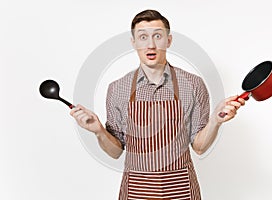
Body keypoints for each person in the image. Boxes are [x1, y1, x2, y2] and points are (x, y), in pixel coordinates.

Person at [70, 9, 245, 200]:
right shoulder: (117, 88)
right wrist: (98, 131)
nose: (151, 45)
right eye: (143, 37)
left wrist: (215, 121)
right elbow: (115, 152)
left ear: (168, 40)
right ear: (133, 42)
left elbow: (200, 147)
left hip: (181, 189)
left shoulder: (193, 84)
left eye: (158, 36)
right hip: (137, 190)